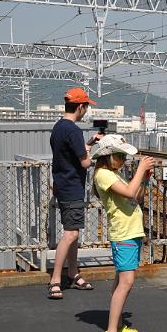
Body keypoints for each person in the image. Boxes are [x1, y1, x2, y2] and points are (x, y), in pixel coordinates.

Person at [90, 134, 154, 332]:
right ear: (107, 156)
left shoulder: (114, 174)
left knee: (121, 282)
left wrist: (143, 178)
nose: (123, 159)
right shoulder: (103, 175)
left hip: (131, 232)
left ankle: (116, 326)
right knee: (126, 282)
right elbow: (129, 192)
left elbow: (135, 197)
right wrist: (139, 170)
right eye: (120, 155)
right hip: (123, 234)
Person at [48, 88, 101, 300]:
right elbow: (85, 162)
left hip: (62, 184)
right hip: (72, 187)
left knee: (73, 232)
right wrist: (100, 154)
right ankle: (55, 280)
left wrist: (88, 144)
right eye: (86, 106)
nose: (86, 111)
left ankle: (72, 273)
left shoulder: (59, 127)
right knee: (71, 234)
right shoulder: (73, 130)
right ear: (80, 107)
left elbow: (70, 153)